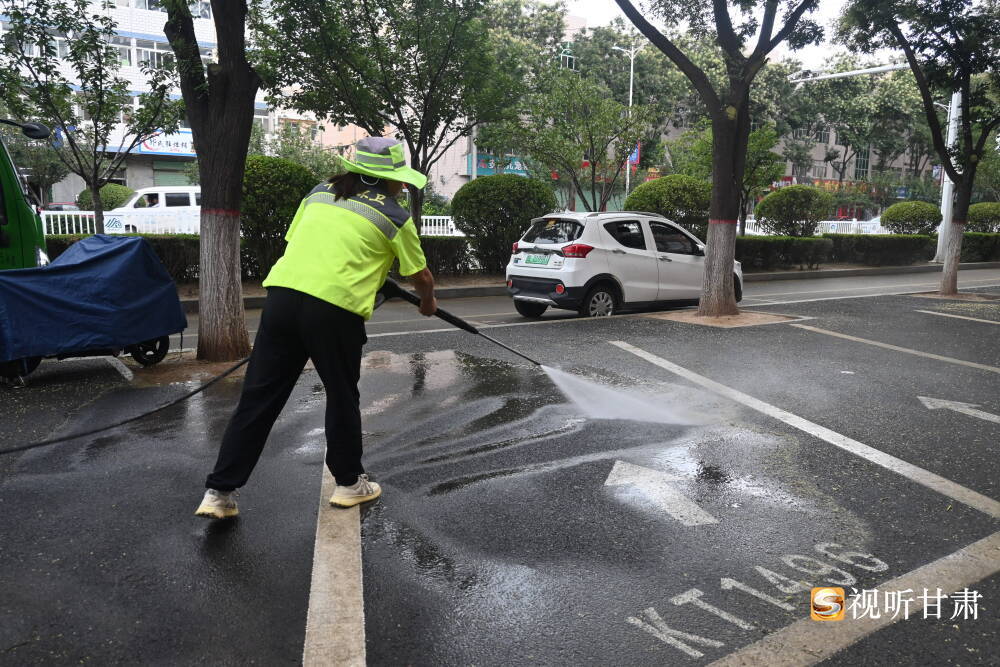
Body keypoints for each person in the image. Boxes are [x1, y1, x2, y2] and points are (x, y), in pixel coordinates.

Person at [195, 136, 437, 519]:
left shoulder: (319, 193)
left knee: (258, 399)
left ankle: (220, 492)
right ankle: (349, 484)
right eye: (399, 179)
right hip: (335, 312)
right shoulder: (394, 214)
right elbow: (419, 274)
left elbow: (303, 243)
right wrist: (428, 302)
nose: (403, 185)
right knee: (342, 396)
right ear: (389, 179)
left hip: (282, 299)